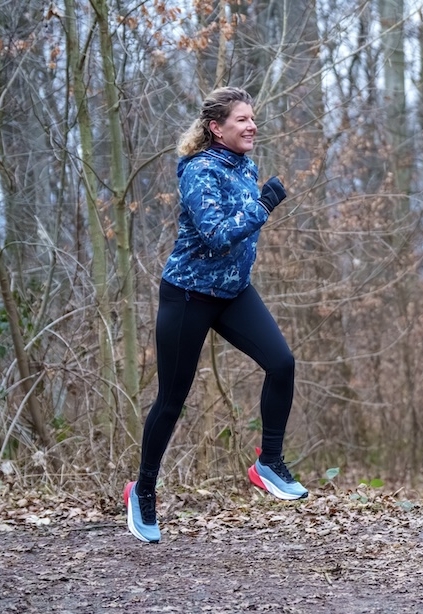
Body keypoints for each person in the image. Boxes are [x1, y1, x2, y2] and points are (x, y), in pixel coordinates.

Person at [124, 86, 309, 544]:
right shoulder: (199, 171)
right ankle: (143, 491)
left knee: (282, 363)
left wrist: (257, 206)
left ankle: (269, 462)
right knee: (172, 400)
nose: (252, 125)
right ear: (216, 128)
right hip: (188, 296)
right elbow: (216, 235)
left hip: (233, 292)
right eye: (241, 119)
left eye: (252, 118)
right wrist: (262, 206)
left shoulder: (245, 165)